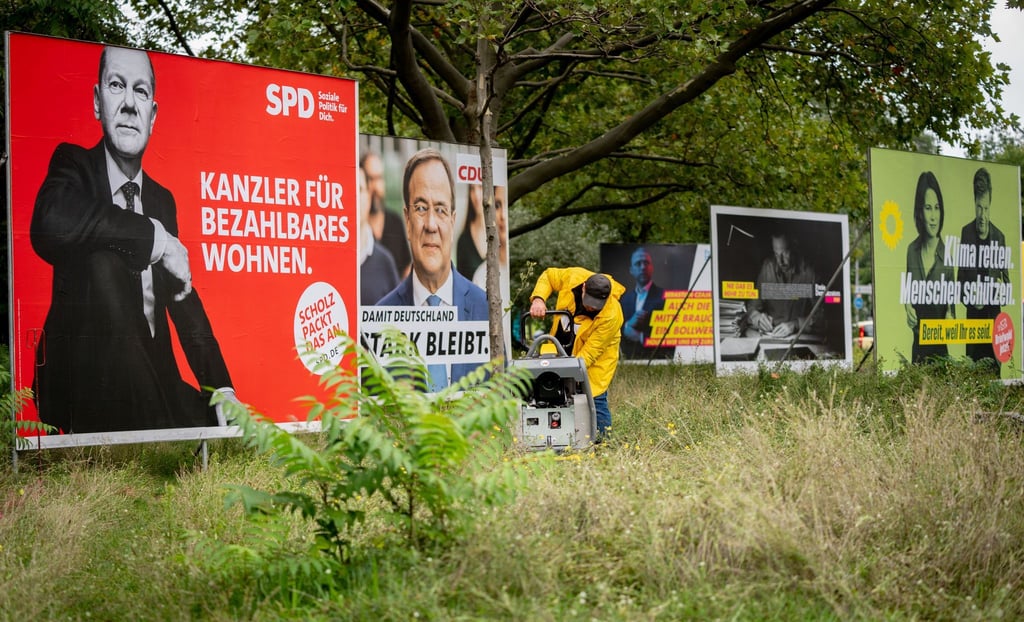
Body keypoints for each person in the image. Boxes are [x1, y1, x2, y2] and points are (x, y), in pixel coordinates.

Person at [30, 45, 235, 434]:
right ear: (97, 101)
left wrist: (221, 385)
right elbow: (49, 223)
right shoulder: (73, 164)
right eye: (116, 86)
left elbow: (182, 298)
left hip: (151, 380)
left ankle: (162, 423)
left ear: (152, 115)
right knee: (103, 259)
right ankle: (161, 430)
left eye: (140, 92)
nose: (128, 104)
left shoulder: (161, 199)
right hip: (85, 381)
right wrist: (155, 238)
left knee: (225, 422)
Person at [377, 148, 488, 390]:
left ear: (452, 219)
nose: (430, 225)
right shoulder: (380, 321)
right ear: (407, 220)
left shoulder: (485, 310)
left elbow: (502, 402)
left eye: (440, 209)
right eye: (420, 208)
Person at [529, 268, 625, 438]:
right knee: (547, 391)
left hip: (596, 360)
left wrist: (567, 371)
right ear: (583, 288)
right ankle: (552, 438)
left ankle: (602, 443)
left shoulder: (612, 315)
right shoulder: (573, 277)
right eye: (589, 301)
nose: (591, 307)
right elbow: (549, 276)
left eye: (596, 305)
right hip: (560, 345)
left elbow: (590, 353)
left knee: (593, 397)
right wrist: (538, 299)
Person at [957, 167, 1007, 374]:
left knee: (995, 372)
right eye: (978, 207)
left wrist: (995, 291)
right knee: (973, 374)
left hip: (994, 320)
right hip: (973, 323)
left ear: (990, 204)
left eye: (986, 208)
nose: (982, 215)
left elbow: (1006, 285)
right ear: (974, 203)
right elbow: (959, 281)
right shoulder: (965, 233)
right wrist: (970, 297)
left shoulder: (1000, 237)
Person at [904, 171, 954, 363]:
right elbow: (908, 293)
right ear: (920, 212)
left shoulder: (947, 254)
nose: (933, 216)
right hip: (917, 349)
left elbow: (952, 308)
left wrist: (950, 317)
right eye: (927, 208)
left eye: (937, 208)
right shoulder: (911, 251)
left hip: (940, 351)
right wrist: (907, 307)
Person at [746, 231, 820, 339]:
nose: (781, 261)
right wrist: (758, 318)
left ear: (794, 247)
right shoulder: (767, 268)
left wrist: (796, 324)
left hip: (799, 337)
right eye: (776, 254)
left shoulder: (809, 271)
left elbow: (822, 317)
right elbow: (752, 307)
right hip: (772, 335)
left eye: (785, 253)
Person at [360, 151, 412, 279]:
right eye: (370, 179)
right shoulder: (357, 229)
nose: (375, 187)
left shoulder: (395, 222)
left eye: (379, 178)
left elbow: (407, 268)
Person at [357, 166, 400, 304]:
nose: (353, 197)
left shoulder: (385, 262)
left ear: (368, 196)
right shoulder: (324, 262)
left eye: (359, 189)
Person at [620, 247, 667, 358]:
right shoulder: (624, 299)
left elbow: (671, 333)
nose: (643, 267)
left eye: (646, 263)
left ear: (652, 267)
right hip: (629, 361)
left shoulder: (665, 297)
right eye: (638, 263)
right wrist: (628, 325)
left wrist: (641, 337)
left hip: (657, 359)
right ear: (631, 270)